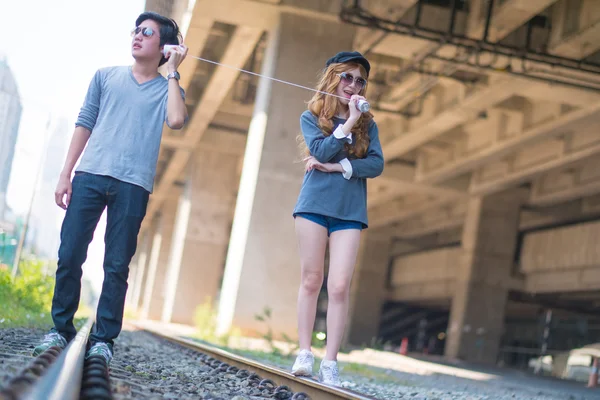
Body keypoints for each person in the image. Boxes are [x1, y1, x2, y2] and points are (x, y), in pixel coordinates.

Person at [32, 11, 189, 365]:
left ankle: (104, 339)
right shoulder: (105, 76)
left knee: (117, 265)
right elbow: (85, 121)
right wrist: (65, 173)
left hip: (133, 185)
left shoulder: (169, 89)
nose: (137, 36)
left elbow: (177, 120)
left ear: (163, 46)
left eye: (146, 33)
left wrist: (175, 70)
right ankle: (59, 328)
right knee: (70, 253)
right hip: (90, 174)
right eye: (135, 31)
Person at [291, 51, 384, 385]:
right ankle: (304, 352)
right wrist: (347, 124)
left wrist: (339, 167)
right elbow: (321, 150)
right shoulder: (312, 116)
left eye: (360, 80)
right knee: (312, 279)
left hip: (350, 211)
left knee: (340, 285)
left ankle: (330, 362)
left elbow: (376, 164)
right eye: (348, 77)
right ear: (334, 78)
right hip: (314, 205)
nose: (354, 85)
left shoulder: (369, 125)